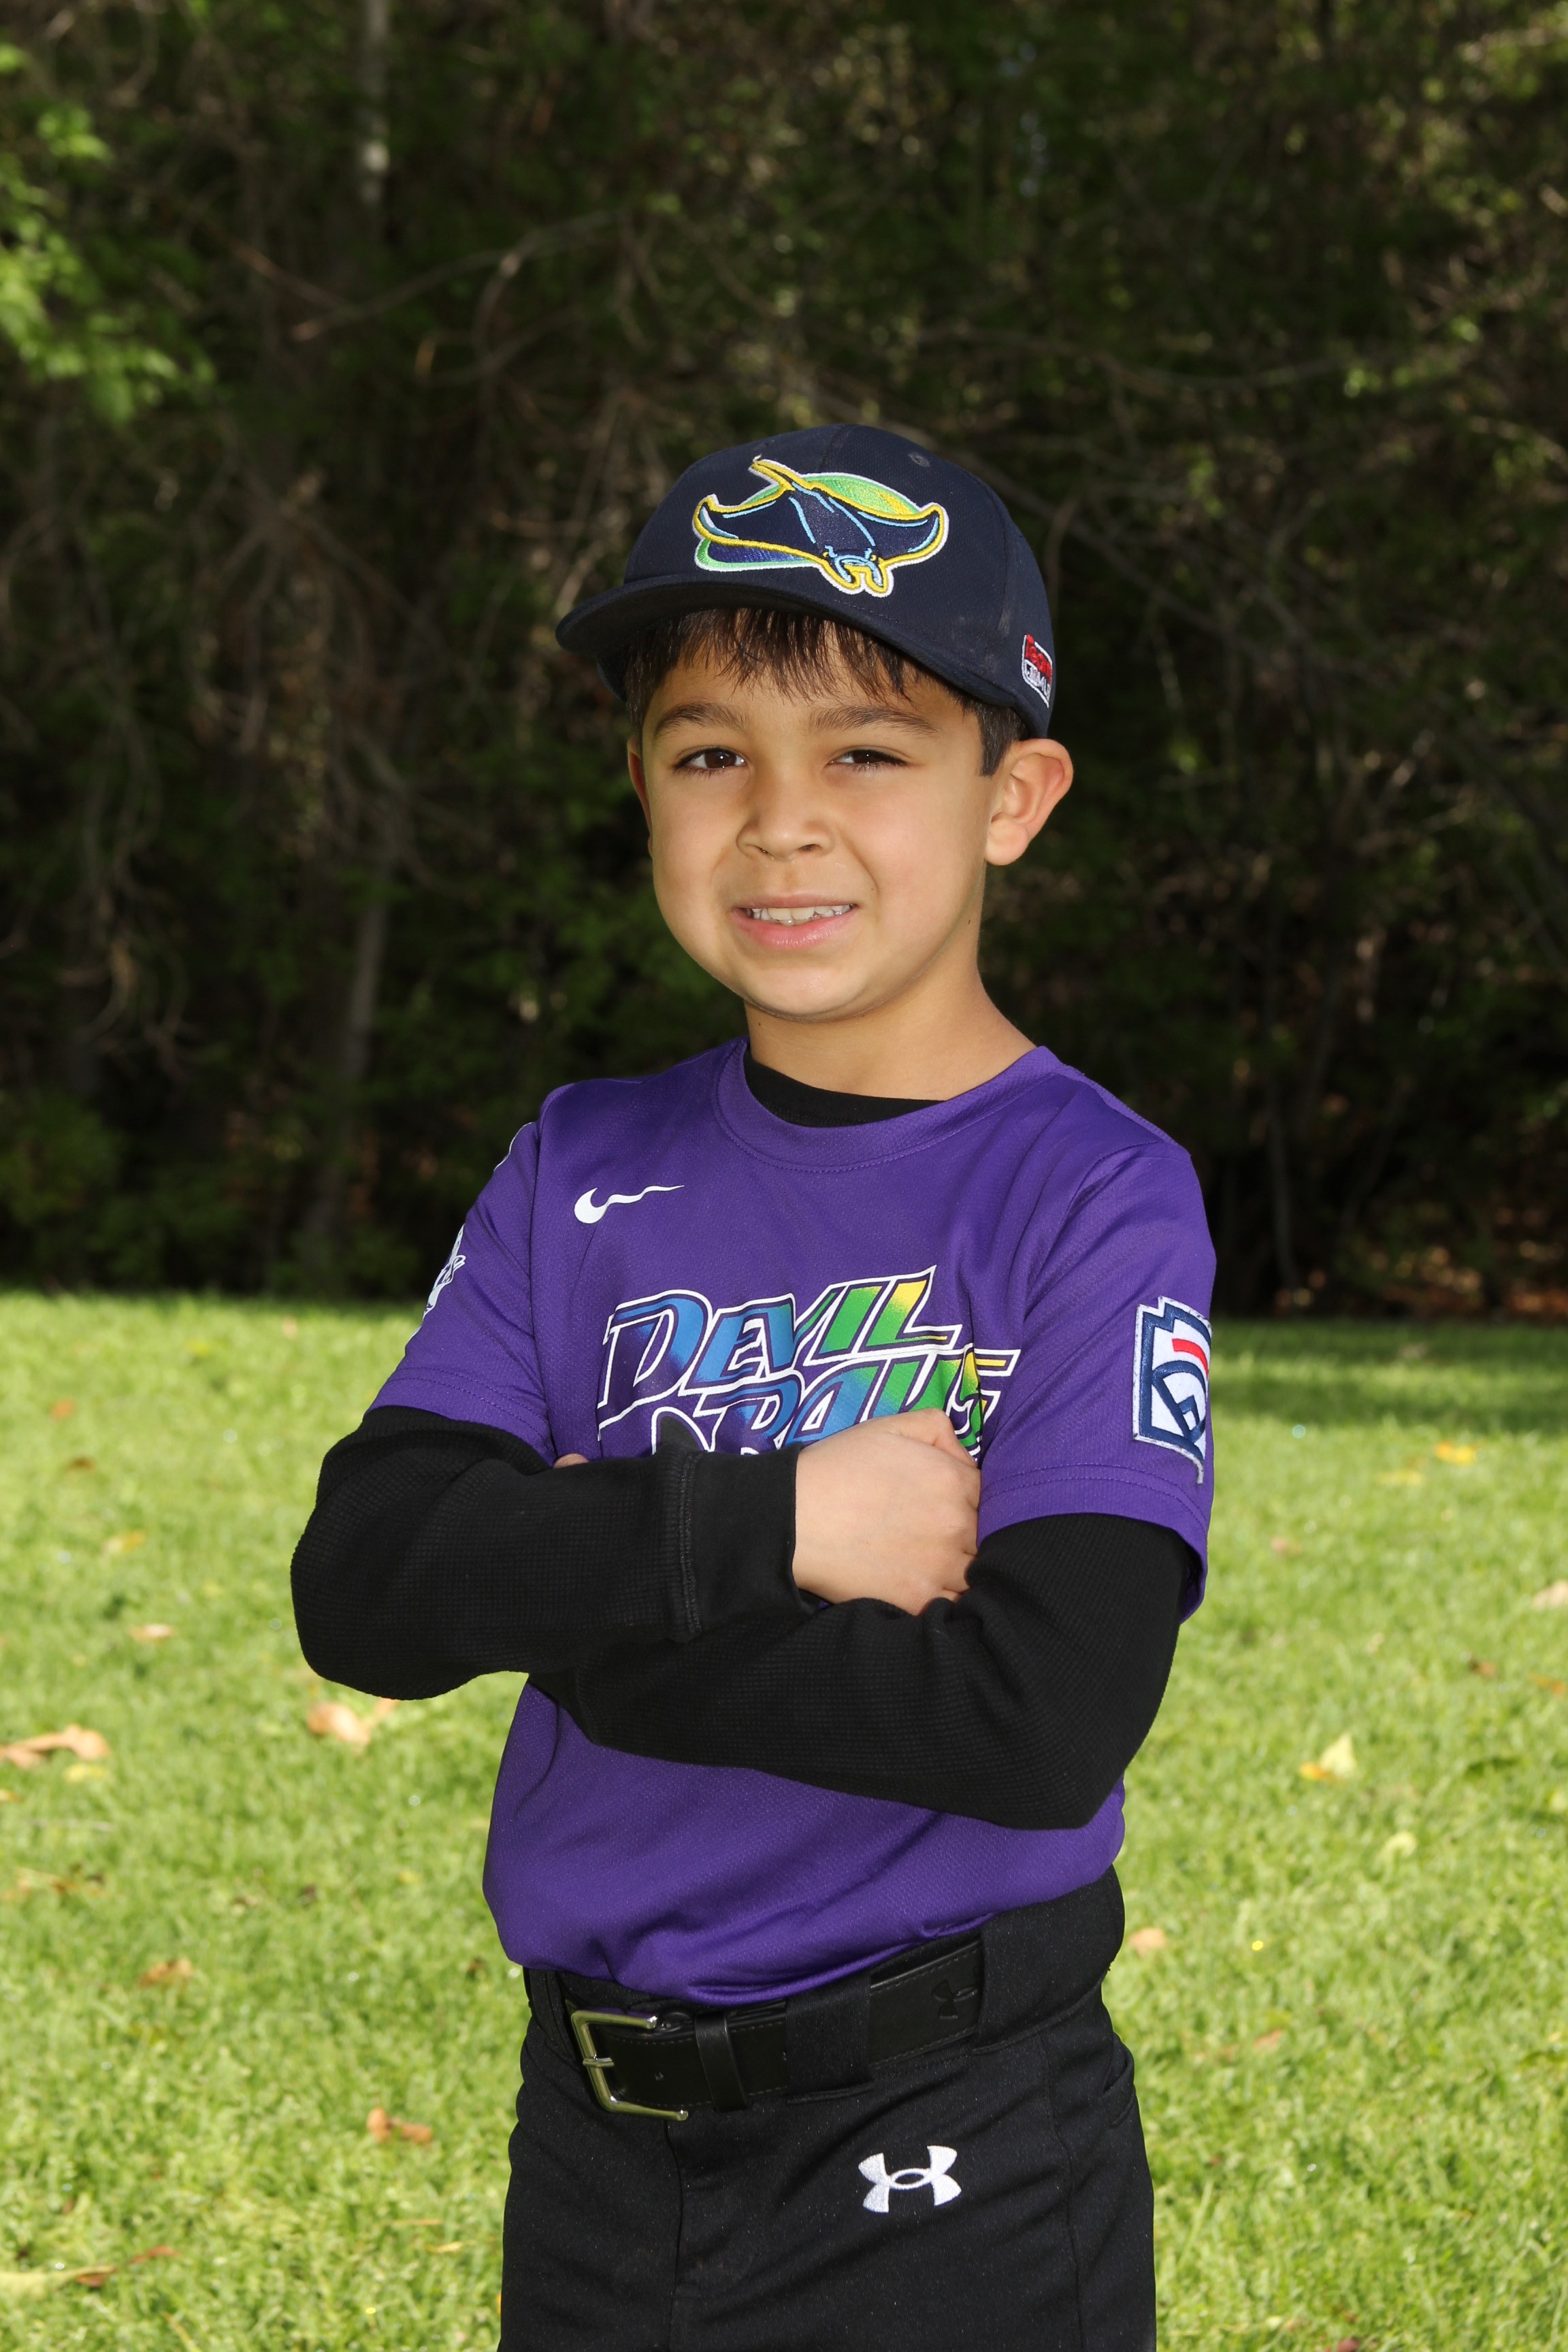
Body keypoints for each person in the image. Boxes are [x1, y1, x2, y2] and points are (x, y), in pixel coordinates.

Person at [291, 423, 1215, 2351]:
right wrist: (773, 1520)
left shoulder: (1095, 1193)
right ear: (642, 786)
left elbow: (1036, 1718)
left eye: (868, 754)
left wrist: (566, 1604)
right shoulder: (577, 1165)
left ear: (1013, 796)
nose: (781, 824)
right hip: (600, 2149)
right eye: (712, 754)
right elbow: (367, 1583)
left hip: (957, 2147)